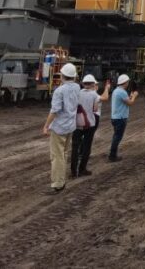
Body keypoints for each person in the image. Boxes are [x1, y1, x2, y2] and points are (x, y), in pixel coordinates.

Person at [41, 63, 80, 194]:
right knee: (64, 154)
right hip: (70, 126)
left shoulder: (60, 91)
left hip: (59, 127)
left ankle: (58, 184)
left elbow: (55, 111)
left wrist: (46, 125)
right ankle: (61, 181)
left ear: (62, 75)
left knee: (57, 156)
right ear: (74, 76)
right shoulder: (76, 87)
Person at [71, 74, 101, 177]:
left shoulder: (78, 93)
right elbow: (95, 109)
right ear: (93, 84)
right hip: (90, 124)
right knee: (86, 147)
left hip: (77, 124)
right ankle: (82, 169)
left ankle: (73, 171)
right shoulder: (94, 95)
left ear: (83, 84)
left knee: (75, 147)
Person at [108, 73, 139, 161]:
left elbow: (126, 100)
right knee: (117, 137)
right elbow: (130, 103)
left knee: (116, 136)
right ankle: (112, 155)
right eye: (127, 82)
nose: (128, 83)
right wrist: (135, 96)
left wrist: (131, 97)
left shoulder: (116, 91)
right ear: (125, 82)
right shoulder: (122, 92)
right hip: (120, 118)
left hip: (115, 117)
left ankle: (113, 154)